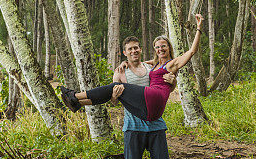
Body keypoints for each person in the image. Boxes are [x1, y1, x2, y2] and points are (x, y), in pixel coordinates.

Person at [60, 13, 204, 125]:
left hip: (155, 97)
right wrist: (125, 63)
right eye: (158, 47)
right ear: (154, 49)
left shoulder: (172, 63)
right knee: (117, 91)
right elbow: (137, 60)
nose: (161, 49)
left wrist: (198, 28)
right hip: (149, 108)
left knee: (117, 86)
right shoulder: (153, 65)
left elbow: (191, 51)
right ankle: (77, 103)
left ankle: (74, 96)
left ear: (169, 48)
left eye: (164, 46)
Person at [111, 36, 176, 159]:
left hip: (155, 124)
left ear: (141, 50)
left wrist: (173, 82)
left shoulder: (151, 68)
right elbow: (114, 102)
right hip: (133, 125)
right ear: (125, 53)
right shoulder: (121, 72)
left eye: (136, 48)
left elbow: (164, 86)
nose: (134, 51)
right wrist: (115, 97)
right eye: (130, 49)